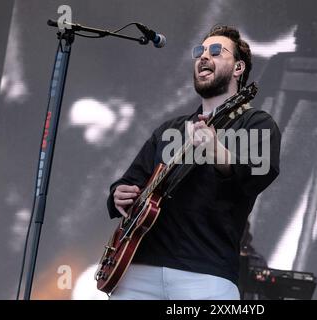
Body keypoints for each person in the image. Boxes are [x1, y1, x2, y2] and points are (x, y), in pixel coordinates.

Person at [106, 25, 281, 300]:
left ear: (238, 68)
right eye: (199, 51)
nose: (203, 57)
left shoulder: (255, 123)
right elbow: (130, 181)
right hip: (138, 270)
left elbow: (259, 174)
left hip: (206, 274)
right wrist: (119, 194)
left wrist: (217, 151)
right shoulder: (169, 129)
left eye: (216, 51)